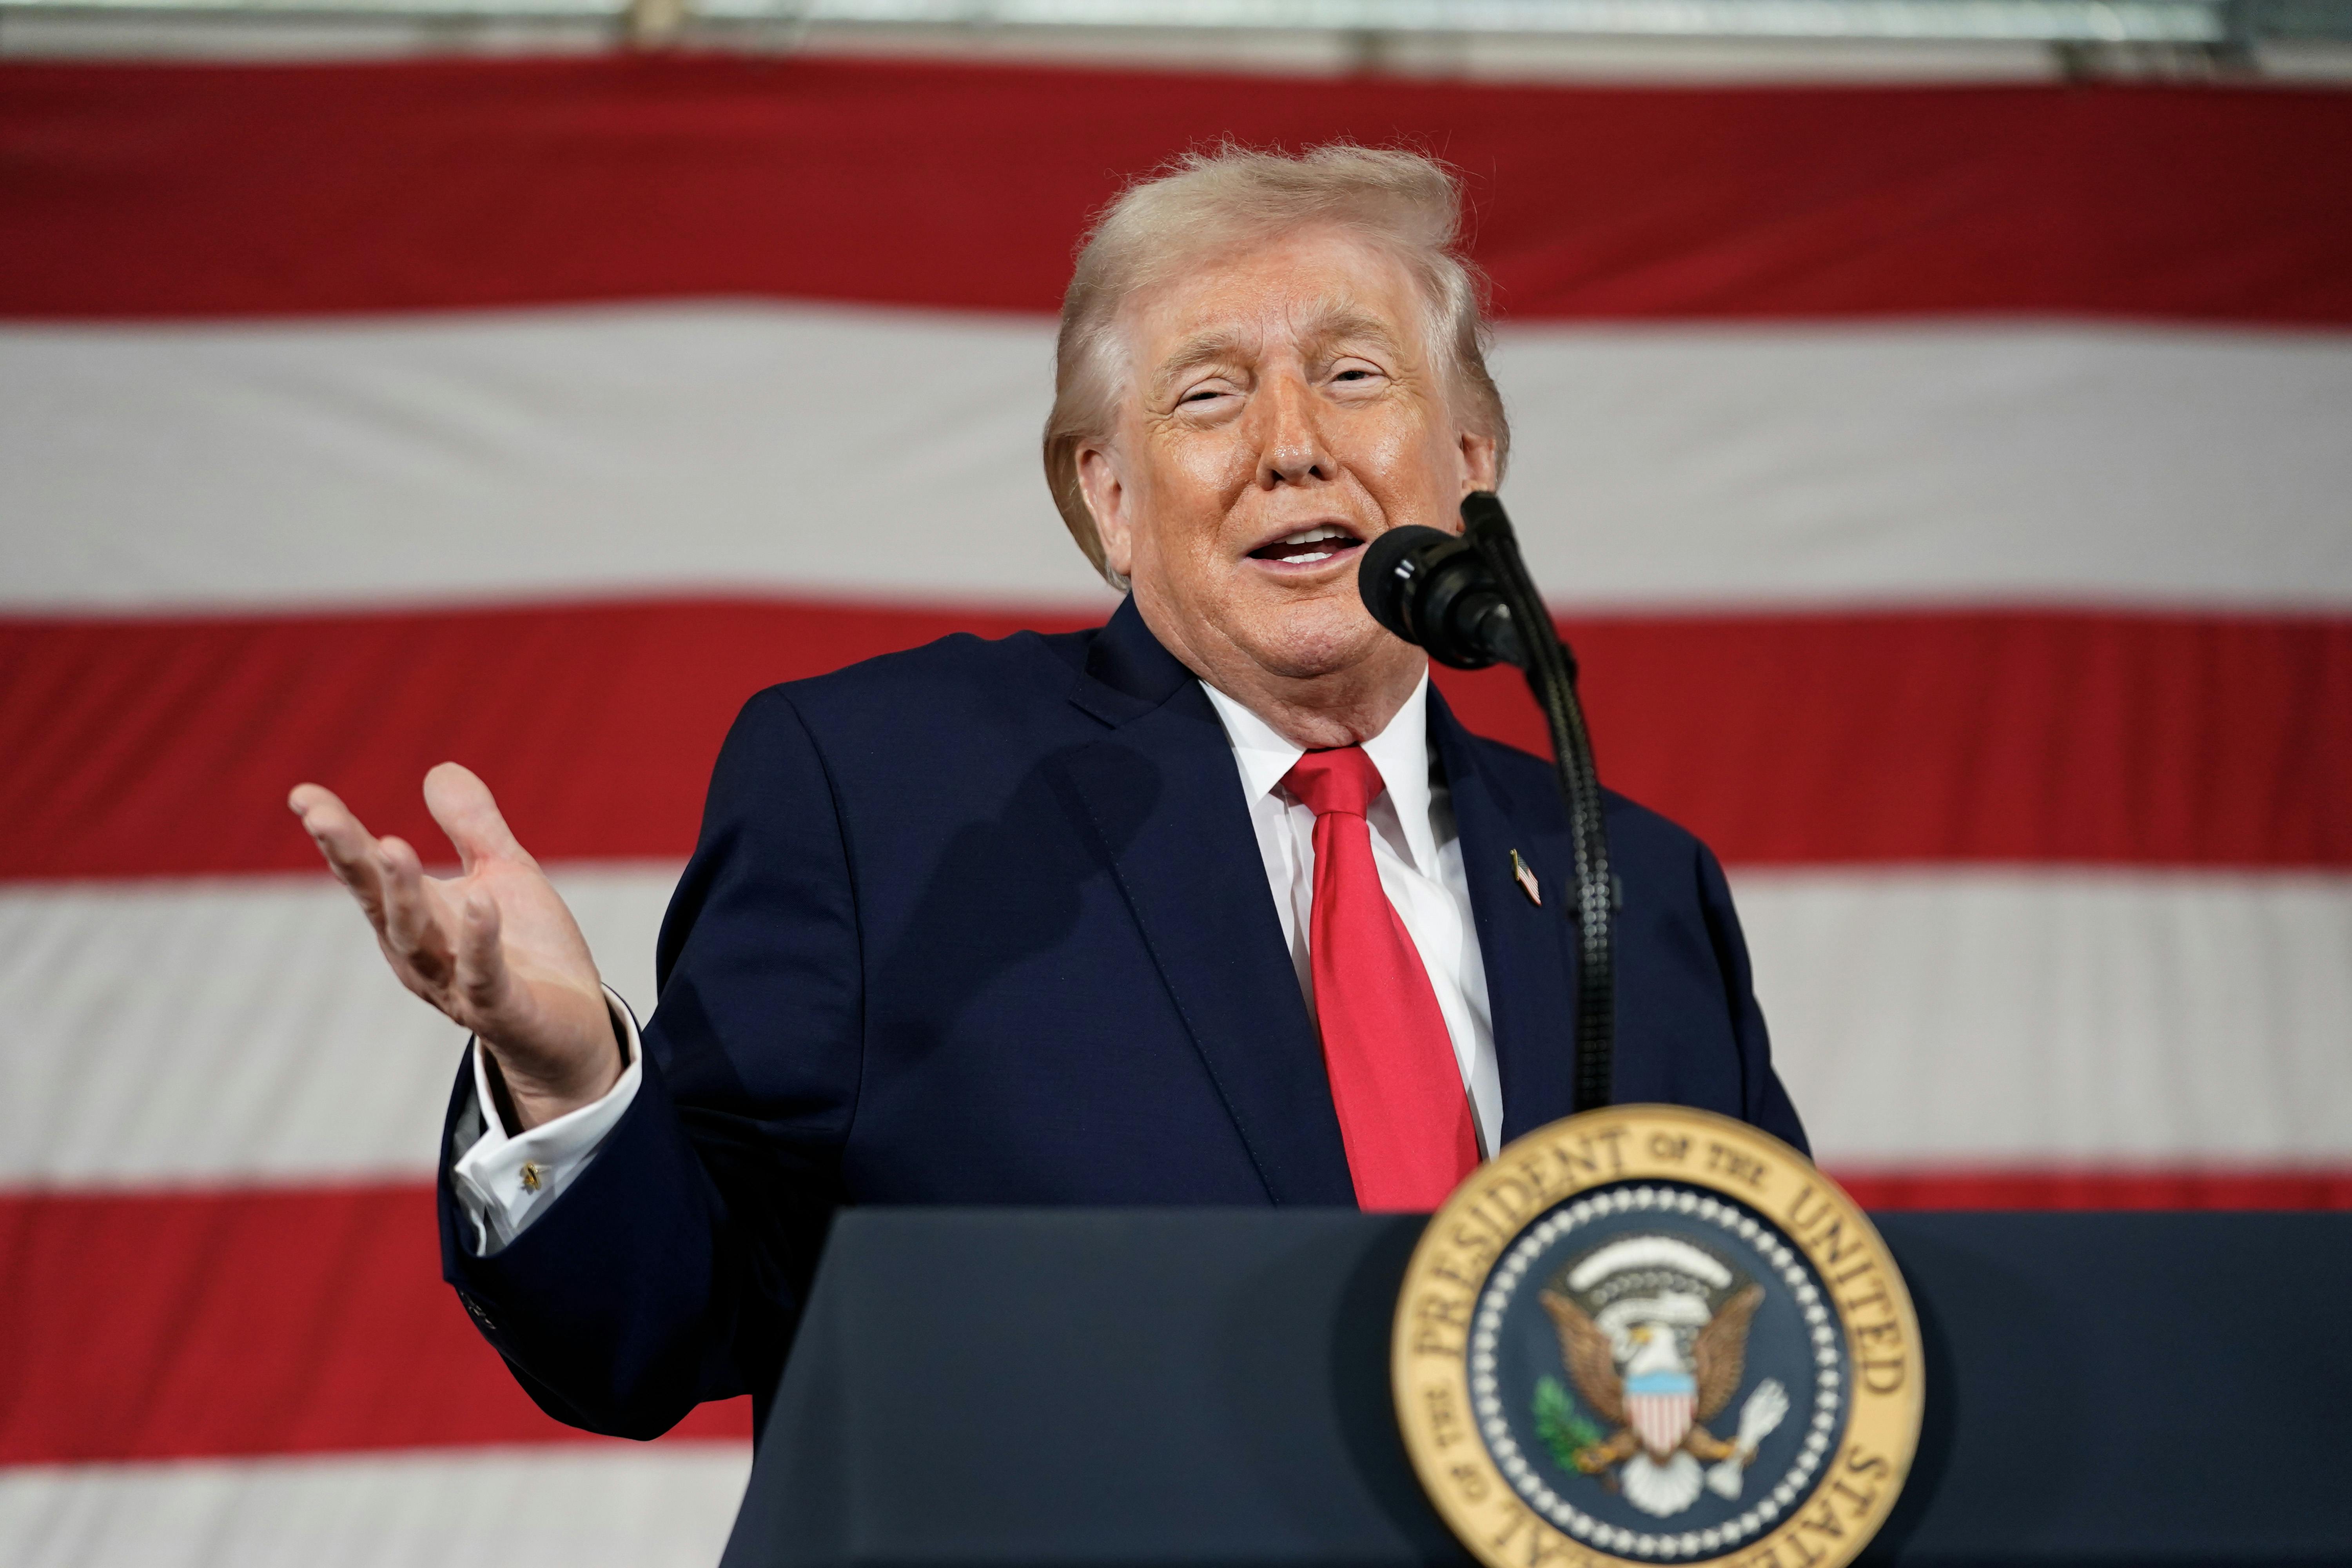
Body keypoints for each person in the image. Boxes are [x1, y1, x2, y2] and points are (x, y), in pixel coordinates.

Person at [289, 144, 1804, 1440]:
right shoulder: (893, 793)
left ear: (1468, 460)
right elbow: (651, 1331)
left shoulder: (1631, 881)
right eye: (1210, 399)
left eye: (1354, 376)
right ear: (1110, 498)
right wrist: (571, 1089)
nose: (1292, 446)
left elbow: (1768, 1367)